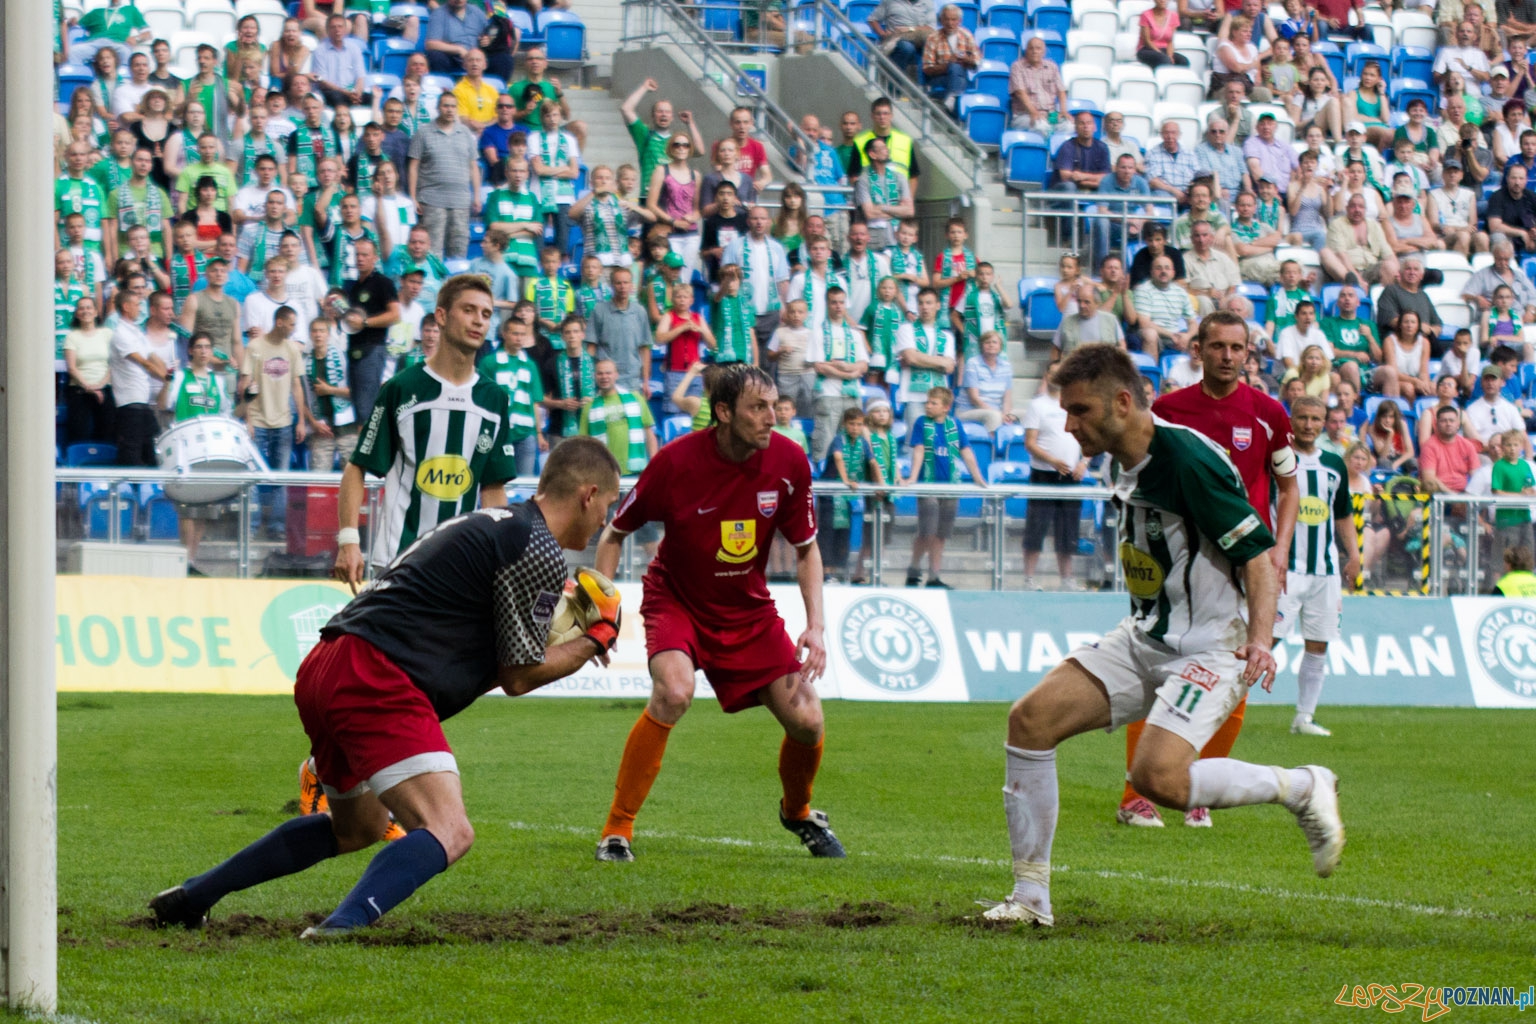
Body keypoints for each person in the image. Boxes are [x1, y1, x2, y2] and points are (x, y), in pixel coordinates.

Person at [150, 435, 622, 937]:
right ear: (588, 494)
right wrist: (597, 638)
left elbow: (489, 651)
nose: (604, 523)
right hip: (374, 675)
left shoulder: (498, 522)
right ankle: (338, 929)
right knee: (450, 830)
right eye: (608, 507)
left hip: (328, 663)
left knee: (357, 828)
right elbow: (520, 676)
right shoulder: (537, 548)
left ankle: (194, 895)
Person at [980, 343, 1342, 925]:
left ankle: (1301, 785)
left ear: (1122, 403)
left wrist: (1259, 641)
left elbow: (1257, 552)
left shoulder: (1185, 461)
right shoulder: (1120, 451)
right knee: (1030, 721)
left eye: (1080, 411)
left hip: (1212, 645)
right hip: (1145, 635)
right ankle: (1030, 898)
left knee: (1158, 779)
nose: (1069, 425)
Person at [590, 363, 842, 862]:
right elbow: (614, 533)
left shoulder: (790, 462)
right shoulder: (675, 462)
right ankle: (617, 830)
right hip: (676, 599)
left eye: (774, 406)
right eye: (758, 408)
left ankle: (797, 811)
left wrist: (815, 626)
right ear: (723, 413)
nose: (772, 418)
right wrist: (604, 610)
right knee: (674, 691)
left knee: (809, 721)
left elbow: (808, 548)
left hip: (747, 610)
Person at [1118, 311, 1300, 829]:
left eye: (1236, 347)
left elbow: (1289, 487)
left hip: (1246, 561)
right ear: (1197, 350)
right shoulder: (1169, 411)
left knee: (1237, 674)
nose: (1226, 356)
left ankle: (1195, 786)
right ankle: (1137, 794)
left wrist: (1279, 549)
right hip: (1181, 562)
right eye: (1216, 346)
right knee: (1157, 668)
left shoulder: (1268, 414)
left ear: (1248, 354)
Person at [1275, 396, 1358, 736]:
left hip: (1324, 570)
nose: (1309, 425)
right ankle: (1225, 706)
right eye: (1303, 418)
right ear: (1291, 420)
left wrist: (1352, 553)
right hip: (1285, 568)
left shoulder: (1335, 464)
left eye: (1316, 419)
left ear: (1324, 422)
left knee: (1318, 643)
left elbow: (1342, 513)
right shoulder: (1278, 459)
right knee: (1266, 639)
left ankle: (1304, 718)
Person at [903, 385, 988, 588]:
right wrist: (913, 477)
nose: (928, 406)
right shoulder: (922, 423)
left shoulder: (954, 424)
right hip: (929, 485)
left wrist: (978, 477)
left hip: (950, 486)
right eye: (927, 402)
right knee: (927, 532)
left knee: (941, 534)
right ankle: (914, 568)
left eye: (933, 403)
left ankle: (934, 575)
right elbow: (919, 451)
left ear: (946, 407)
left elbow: (966, 451)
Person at [1021, 366, 1086, 589]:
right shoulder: (1038, 405)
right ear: (1046, 377)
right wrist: (1052, 461)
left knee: (1068, 529)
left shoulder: (1075, 403)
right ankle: (1029, 578)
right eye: (1051, 373)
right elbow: (1030, 443)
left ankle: (1067, 578)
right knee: (1036, 527)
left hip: (1070, 475)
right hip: (1044, 474)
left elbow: (1087, 437)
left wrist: (1084, 462)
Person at [342, 237, 401, 427]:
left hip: (372, 349)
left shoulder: (383, 283)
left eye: (365, 255)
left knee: (368, 410)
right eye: (357, 254)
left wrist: (365, 322)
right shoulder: (353, 286)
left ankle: (369, 453)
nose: (360, 259)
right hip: (354, 349)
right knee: (360, 407)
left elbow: (395, 315)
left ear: (375, 258)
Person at [108, 289, 169, 465]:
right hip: (129, 400)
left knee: (150, 443)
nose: (140, 309)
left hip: (141, 399)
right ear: (126, 307)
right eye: (137, 305)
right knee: (132, 448)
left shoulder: (136, 332)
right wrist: (166, 379)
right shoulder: (120, 333)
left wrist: (168, 372)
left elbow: (153, 357)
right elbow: (144, 363)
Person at [63, 295, 116, 445]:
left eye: (89, 307)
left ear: (96, 312)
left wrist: (101, 385)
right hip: (80, 389)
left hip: (104, 388)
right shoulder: (72, 337)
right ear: (77, 313)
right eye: (81, 308)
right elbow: (72, 368)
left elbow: (114, 364)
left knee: (108, 431)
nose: (85, 311)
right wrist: (89, 387)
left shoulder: (106, 334)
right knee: (80, 432)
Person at [1321, 194, 1398, 287]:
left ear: (1365, 210)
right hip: (1347, 272)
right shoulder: (1337, 224)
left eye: (1361, 207)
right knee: (1325, 253)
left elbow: (1388, 254)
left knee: (1390, 265)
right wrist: (1358, 280)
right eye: (1353, 206)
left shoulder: (1374, 226)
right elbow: (1341, 256)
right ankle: (1354, 284)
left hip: (1371, 270)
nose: (1357, 210)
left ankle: (1390, 297)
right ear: (1347, 208)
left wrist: (1398, 274)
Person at [1132, 254, 1198, 358]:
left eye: (1167, 268)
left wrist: (1187, 336)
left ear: (1173, 273)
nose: (1163, 271)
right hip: (1155, 334)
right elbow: (1144, 323)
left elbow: (1192, 322)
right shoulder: (1143, 290)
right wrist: (1171, 335)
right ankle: (1153, 373)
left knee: (1201, 338)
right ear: (1152, 272)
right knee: (1150, 334)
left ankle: (1197, 373)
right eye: (1158, 268)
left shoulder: (1180, 292)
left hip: (1176, 335)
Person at [922, 5, 981, 114]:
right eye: (947, 19)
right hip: (940, 78)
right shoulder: (933, 38)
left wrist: (966, 59)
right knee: (955, 69)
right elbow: (927, 69)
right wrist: (949, 65)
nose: (950, 23)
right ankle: (952, 99)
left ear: (960, 21)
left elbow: (977, 62)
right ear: (941, 20)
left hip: (961, 76)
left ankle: (951, 99)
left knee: (958, 71)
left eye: (953, 20)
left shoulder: (966, 35)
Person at [1007, 35, 1067, 133]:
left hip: (1050, 115)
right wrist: (1033, 112)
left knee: (1068, 126)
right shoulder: (1017, 67)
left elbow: (1061, 90)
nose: (1034, 51)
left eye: (1038, 48)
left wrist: (1063, 111)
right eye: (1031, 48)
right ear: (1026, 51)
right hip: (1025, 115)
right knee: (1042, 127)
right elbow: (1020, 93)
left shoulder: (1052, 66)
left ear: (1044, 51)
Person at [1419, 404, 1483, 494]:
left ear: (1458, 424)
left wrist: (1467, 497)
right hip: (1438, 493)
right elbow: (1429, 479)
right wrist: (1453, 497)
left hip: (1464, 494)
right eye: (1444, 421)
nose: (1448, 424)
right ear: (1437, 424)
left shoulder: (1468, 445)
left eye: (1452, 421)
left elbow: (1476, 477)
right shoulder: (1429, 446)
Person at [867, 0, 936, 76]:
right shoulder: (889, 1)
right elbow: (872, 20)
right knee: (907, 48)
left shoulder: (927, 2)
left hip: (919, 36)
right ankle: (895, 81)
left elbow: (931, 28)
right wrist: (882, 34)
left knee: (932, 42)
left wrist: (910, 29)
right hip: (898, 39)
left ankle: (927, 82)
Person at [424, 0, 489, 75]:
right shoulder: (439, 14)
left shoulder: (477, 12)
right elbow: (430, 44)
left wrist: (487, 39)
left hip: (477, 55)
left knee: (501, 57)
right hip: (453, 58)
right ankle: (443, 84)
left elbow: (487, 32)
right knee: (435, 56)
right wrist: (458, 49)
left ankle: (500, 85)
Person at [1138, 0, 1190, 68]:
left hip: (1164, 49)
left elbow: (1170, 41)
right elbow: (1147, 41)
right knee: (1164, 59)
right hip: (1148, 49)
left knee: (1183, 61)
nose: (1162, 1)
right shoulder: (1145, 15)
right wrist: (1161, 53)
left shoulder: (1173, 16)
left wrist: (1170, 56)